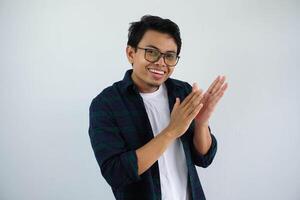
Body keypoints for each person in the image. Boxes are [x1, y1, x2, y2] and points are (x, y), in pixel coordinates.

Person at [88, 15, 228, 200]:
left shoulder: (182, 91)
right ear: (131, 53)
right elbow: (116, 173)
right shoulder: (106, 104)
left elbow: (203, 158)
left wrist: (202, 124)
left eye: (169, 56)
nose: (161, 63)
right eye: (152, 52)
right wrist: (171, 131)